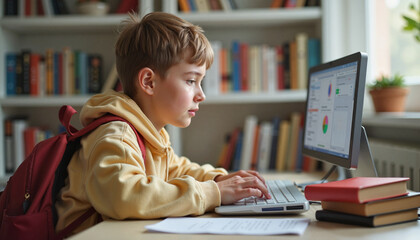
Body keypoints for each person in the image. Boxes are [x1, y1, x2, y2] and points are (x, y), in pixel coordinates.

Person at [55, 12, 271, 235]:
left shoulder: (149, 130)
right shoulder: (116, 134)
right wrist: (212, 193)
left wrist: (219, 179)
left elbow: (176, 169)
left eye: (200, 81)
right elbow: (124, 196)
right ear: (149, 81)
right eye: (191, 81)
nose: (201, 95)